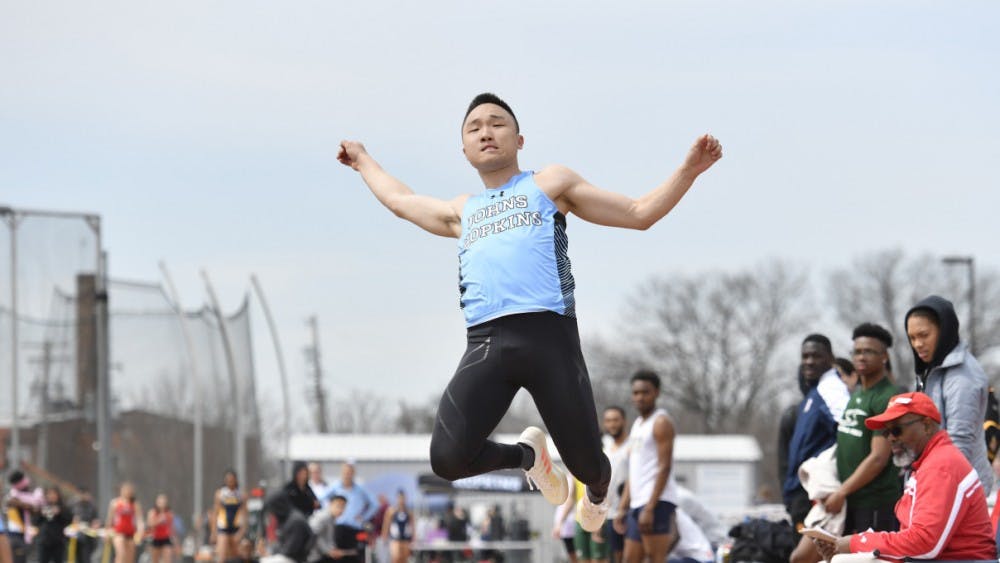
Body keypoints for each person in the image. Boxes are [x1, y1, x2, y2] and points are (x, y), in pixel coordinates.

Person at [337, 92, 723, 533]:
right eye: (474, 127)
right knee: (447, 459)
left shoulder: (549, 184)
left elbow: (638, 213)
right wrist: (363, 160)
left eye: (497, 123)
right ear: (464, 150)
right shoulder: (462, 211)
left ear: (519, 140)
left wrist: (689, 170)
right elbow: (400, 201)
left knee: (587, 467)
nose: (486, 131)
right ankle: (529, 457)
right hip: (485, 345)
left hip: (550, 341)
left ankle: (600, 494)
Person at [811, 392, 995, 562]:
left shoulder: (940, 466)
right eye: (886, 432)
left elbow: (924, 545)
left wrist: (857, 543)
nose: (890, 438)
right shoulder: (929, 462)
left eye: (896, 430)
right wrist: (853, 547)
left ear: (926, 425)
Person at [790, 324, 901, 563]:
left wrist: (842, 491)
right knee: (803, 558)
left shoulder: (886, 396)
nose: (861, 357)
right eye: (857, 351)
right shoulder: (857, 395)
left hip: (874, 503)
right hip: (845, 502)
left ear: (884, 356)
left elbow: (878, 457)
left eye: (869, 351)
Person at [905, 295, 994, 495]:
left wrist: (937, 492)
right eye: (912, 338)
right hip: (936, 480)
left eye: (924, 335)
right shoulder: (932, 370)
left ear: (944, 331)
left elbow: (959, 441)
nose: (917, 344)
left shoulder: (963, 376)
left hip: (957, 488)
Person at [783, 335, 850, 533]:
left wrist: (839, 489)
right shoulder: (815, 391)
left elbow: (848, 434)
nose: (809, 361)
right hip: (800, 493)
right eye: (805, 356)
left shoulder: (831, 389)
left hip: (815, 495)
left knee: (806, 551)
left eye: (816, 356)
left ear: (831, 358)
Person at [614, 370, 680, 563]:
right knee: (629, 559)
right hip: (637, 503)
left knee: (655, 558)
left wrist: (650, 507)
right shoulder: (637, 425)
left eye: (645, 392)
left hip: (656, 502)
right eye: (636, 393)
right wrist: (622, 507)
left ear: (656, 393)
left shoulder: (661, 422)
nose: (640, 397)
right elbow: (634, 471)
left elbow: (664, 467)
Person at [322, 463, 374, 562]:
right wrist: (331, 513)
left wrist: (364, 517)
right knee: (337, 556)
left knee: (355, 555)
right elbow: (322, 499)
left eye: (350, 473)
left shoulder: (360, 489)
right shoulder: (335, 487)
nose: (347, 475)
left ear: (353, 474)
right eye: (345, 472)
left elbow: (374, 504)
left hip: (354, 528)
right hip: (338, 528)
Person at [602, 406, 629, 563]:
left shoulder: (633, 446)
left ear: (623, 421)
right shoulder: (605, 448)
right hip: (610, 514)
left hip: (628, 512)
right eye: (608, 420)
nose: (612, 424)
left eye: (615, 420)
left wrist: (623, 509)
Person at [4, 470, 43, 563]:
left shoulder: (35, 491)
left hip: (36, 532)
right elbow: (10, 502)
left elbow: (37, 509)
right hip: (18, 533)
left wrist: (24, 505)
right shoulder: (13, 495)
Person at [263, 493, 314, 563]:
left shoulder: (296, 521)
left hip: (296, 559)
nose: (272, 512)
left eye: (272, 508)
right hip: (285, 556)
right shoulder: (285, 519)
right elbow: (280, 543)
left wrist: (271, 554)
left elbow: (290, 550)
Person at [212, 470, 248, 563]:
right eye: (228, 480)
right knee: (222, 555)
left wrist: (242, 531)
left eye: (232, 479)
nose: (230, 482)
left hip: (236, 528)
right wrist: (213, 532)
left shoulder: (241, 495)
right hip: (223, 527)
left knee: (237, 556)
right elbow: (215, 513)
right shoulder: (220, 494)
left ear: (235, 480)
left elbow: (245, 514)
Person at [105, 482, 143, 563]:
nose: (127, 492)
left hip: (131, 533)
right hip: (118, 532)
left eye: (129, 490)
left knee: (130, 558)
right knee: (121, 554)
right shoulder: (115, 503)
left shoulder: (134, 504)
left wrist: (140, 531)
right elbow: (110, 519)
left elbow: (139, 519)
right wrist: (107, 531)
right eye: (125, 490)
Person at [310, 495, 355, 563]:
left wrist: (333, 550)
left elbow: (328, 538)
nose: (341, 510)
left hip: (321, 555)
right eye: (338, 506)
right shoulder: (322, 516)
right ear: (330, 504)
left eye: (343, 507)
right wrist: (328, 551)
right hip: (313, 557)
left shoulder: (332, 518)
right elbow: (313, 535)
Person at [34, 487, 73, 563]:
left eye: (53, 494)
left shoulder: (63, 507)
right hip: (44, 541)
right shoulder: (42, 506)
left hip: (58, 541)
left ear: (58, 495)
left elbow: (69, 520)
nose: (51, 496)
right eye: (49, 494)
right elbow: (35, 521)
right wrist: (40, 513)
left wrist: (60, 512)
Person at [380, 490, 412, 563]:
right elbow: (386, 524)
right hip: (395, 539)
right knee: (396, 557)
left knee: (404, 558)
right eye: (400, 498)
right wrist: (384, 536)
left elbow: (412, 525)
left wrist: (413, 537)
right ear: (397, 499)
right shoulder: (391, 510)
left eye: (403, 498)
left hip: (405, 538)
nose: (402, 500)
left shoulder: (408, 512)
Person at [73, 487, 101, 563]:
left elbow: (96, 519)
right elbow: (69, 517)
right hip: (77, 535)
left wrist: (96, 524)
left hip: (89, 535)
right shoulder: (74, 505)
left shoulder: (92, 506)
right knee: (78, 558)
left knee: (86, 558)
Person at [146, 494, 175, 563]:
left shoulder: (169, 513)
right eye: (160, 502)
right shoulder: (152, 512)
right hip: (155, 538)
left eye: (164, 501)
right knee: (155, 560)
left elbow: (171, 526)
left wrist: (174, 538)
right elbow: (149, 525)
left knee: (168, 558)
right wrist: (158, 520)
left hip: (166, 538)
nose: (162, 503)